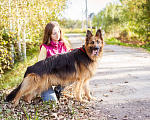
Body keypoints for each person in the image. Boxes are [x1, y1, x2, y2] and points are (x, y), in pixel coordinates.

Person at [38, 21, 70, 102]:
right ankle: (41, 90)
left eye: (58, 32)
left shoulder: (65, 44)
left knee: (74, 73)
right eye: (54, 33)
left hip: (60, 77)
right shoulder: (45, 48)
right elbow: (40, 66)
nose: (57, 35)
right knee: (52, 102)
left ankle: (58, 90)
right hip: (46, 79)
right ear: (49, 35)